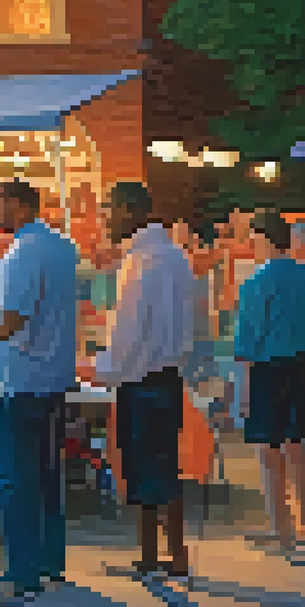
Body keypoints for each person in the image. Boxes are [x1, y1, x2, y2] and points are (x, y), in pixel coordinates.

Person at [0, 179, 79, 603]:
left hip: (23, 379)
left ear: (17, 206)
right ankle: (50, 562)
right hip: (55, 376)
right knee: (48, 473)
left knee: (17, 479)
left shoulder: (21, 254)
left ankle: (20, 575)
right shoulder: (62, 247)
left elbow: (14, 318)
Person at [90, 183, 197, 578]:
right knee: (164, 468)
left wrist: (102, 369)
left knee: (144, 471)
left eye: (110, 210)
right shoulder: (176, 257)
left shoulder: (141, 262)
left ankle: (161, 557)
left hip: (141, 379)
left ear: (130, 210)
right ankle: (165, 557)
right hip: (169, 377)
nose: (106, 219)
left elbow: (128, 334)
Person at [233, 210, 305, 556]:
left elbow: (247, 343)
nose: (251, 244)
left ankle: (282, 532)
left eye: (253, 237)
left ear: (265, 238)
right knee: (301, 451)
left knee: (269, 453)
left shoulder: (255, 283)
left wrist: (242, 395)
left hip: (267, 370)